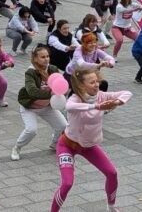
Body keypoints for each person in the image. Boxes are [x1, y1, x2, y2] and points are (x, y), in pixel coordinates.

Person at [51, 68, 131, 212]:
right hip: (67, 145)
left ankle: (111, 207)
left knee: (112, 173)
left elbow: (127, 93)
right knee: (68, 183)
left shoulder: (101, 95)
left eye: (97, 81)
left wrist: (118, 102)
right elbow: (69, 106)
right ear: (82, 86)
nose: (97, 84)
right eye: (92, 82)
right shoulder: (75, 98)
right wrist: (97, 106)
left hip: (88, 146)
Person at [11, 46, 68, 160]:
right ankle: (17, 147)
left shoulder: (52, 69)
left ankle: (54, 144)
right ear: (35, 58)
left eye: (47, 56)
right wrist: (51, 93)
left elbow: (61, 84)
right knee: (31, 130)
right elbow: (31, 91)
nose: (46, 59)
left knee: (63, 126)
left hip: (47, 106)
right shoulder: (30, 72)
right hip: (30, 107)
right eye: (42, 57)